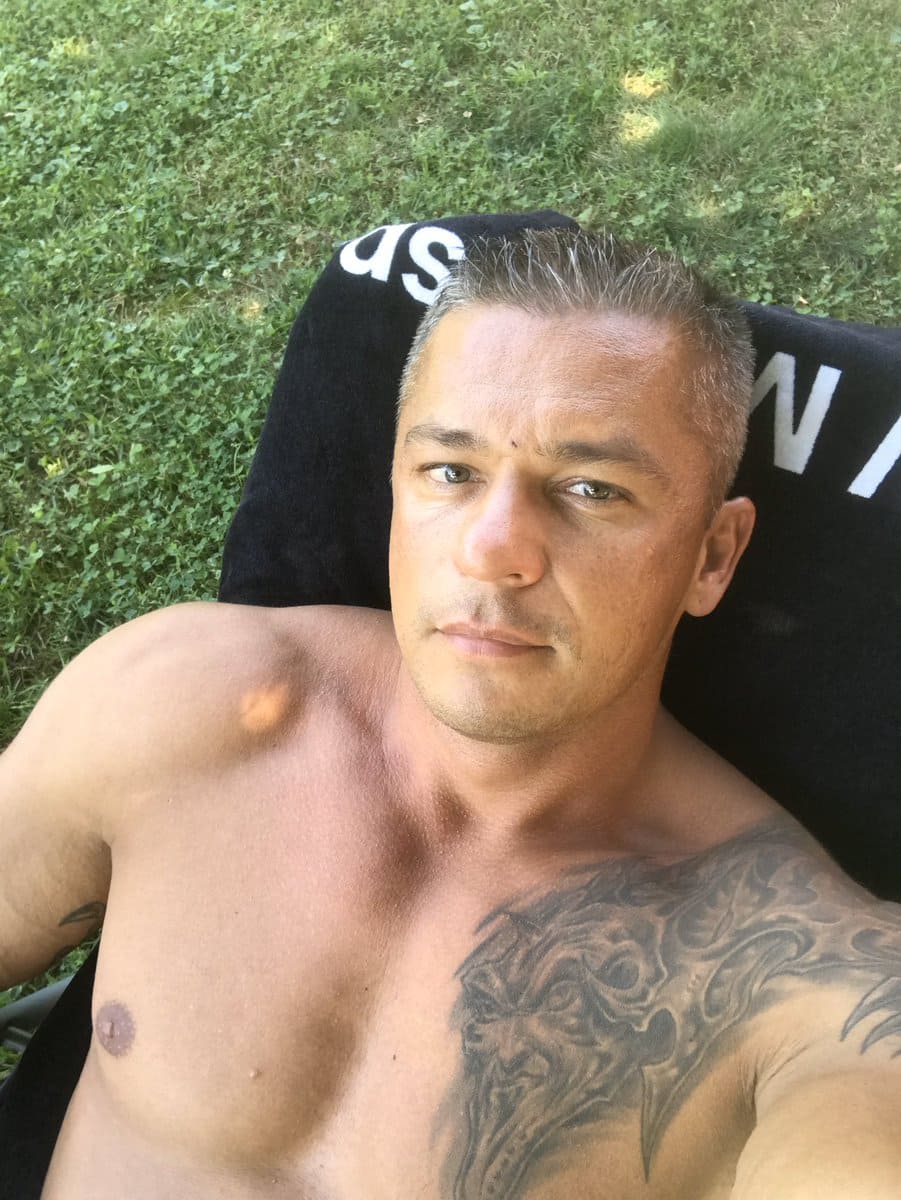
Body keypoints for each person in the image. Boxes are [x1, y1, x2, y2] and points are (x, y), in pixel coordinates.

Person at [2, 228, 899, 1200]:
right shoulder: (179, 707)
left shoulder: (798, 983)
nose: (492, 549)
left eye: (591, 489)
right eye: (449, 471)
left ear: (711, 558)